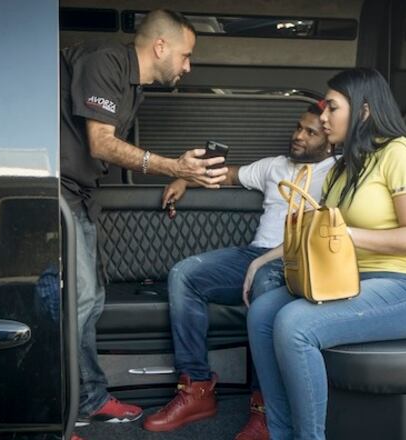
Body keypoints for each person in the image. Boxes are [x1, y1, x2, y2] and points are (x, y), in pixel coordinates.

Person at [245, 68, 406, 440]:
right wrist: (263, 258)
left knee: (294, 325)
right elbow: (317, 228)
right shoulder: (344, 167)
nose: (322, 117)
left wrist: (348, 234)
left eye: (332, 108)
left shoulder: (400, 153)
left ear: (365, 111)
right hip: (354, 281)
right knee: (261, 314)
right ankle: (281, 433)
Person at [60, 9, 228, 426]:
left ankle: (89, 399)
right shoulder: (105, 61)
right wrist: (175, 167)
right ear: (160, 46)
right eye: (186, 55)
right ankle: (56, 414)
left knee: (91, 300)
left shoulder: (133, 86)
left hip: (77, 195)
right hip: (54, 192)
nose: (188, 66)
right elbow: (101, 144)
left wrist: (186, 175)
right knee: (72, 303)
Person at [143, 103, 335, 439]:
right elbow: (228, 174)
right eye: (298, 128)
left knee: (264, 281)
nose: (298, 136)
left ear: (330, 139)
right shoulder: (275, 166)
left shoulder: (341, 170)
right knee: (184, 274)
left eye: (310, 132)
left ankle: (266, 411)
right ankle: (197, 390)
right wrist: (184, 179)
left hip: (302, 261)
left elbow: (399, 163)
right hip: (257, 254)